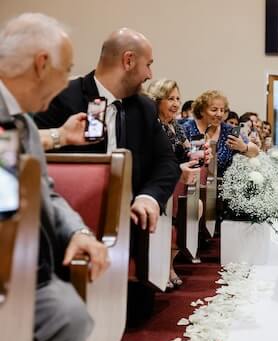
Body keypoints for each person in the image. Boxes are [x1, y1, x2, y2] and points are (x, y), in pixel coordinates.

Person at [0, 13, 109, 341]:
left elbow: (46, 191)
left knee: (69, 319)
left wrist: (78, 231)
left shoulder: (25, 126)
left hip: (27, 267)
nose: (66, 83)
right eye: (66, 70)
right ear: (42, 64)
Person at [35, 28, 181, 239]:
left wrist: (148, 197)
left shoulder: (145, 108)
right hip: (66, 225)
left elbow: (167, 162)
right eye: (148, 65)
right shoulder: (61, 97)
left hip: (129, 227)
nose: (150, 75)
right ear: (128, 60)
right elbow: (32, 158)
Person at [145, 78, 212, 289]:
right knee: (185, 211)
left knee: (196, 207)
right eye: (169, 98)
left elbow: (188, 152)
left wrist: (203, 155)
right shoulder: (151, 124)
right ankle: (162, 266)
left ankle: (169, 263)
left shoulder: (176, 126)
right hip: (159, 184)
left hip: (178, 183)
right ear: (157, 101)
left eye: (177, 99)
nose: (175, 103)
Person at [181, 90, 259, 177]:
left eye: (222, 110)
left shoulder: (229, 130)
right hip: (190, 184)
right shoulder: (187, 128)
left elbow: (255, 151)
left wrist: (243, 147)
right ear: (201, 111)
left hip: (220, 187)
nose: (219, 114)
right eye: (214, 110)